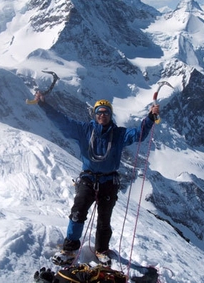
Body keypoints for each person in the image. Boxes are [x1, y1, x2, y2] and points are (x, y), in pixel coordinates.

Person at [34, 92, 160, 265]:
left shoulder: (119, 134)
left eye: (106, 112)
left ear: (110, 115)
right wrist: (43, 105)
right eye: (99, 112)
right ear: (95, 114)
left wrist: (150, 118)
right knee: (78, 212)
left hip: (109, 181)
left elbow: (138, 134)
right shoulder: (84, 130)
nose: (102, 115)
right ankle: (69, 249)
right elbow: (62, 121)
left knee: (104, 219)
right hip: (88, 178)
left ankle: (101, 250)